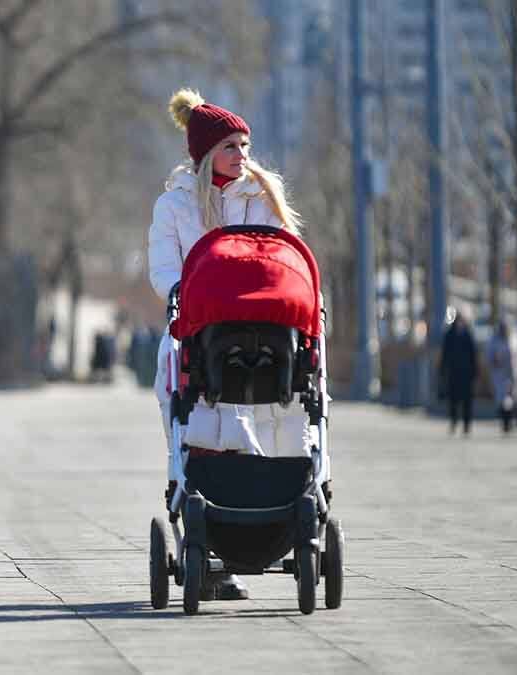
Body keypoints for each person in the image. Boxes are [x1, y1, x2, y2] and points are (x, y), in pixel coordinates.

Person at [147, 88, 304, 601]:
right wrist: (189, 296)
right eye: (231, 146)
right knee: (194, 422)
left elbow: (283, 260)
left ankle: (273, 520)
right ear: (206, 153)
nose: (242, 155)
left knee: (272, 417)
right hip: (198, 329)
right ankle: (210, 542)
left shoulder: (261, 198)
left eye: (245, 145)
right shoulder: (174, 205)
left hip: (262, 330)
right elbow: (164, 270)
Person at [439, 311, 478, 436]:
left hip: (466, 374)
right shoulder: (449, 335)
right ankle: (453, 421)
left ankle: (467, 424)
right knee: (453, 400)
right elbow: (445, 354)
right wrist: (442, 370)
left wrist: (474, 371)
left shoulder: (468, 335)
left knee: (467, 400)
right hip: (453, 373)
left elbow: (473, 355)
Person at [487, 320, 517, 433]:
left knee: (515, 396)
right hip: (500, 373)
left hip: (514, 371)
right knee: (503, 399)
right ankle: (506, 423)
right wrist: (494, 361)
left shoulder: (515, 337)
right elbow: (490, 357)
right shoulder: (494, 340)